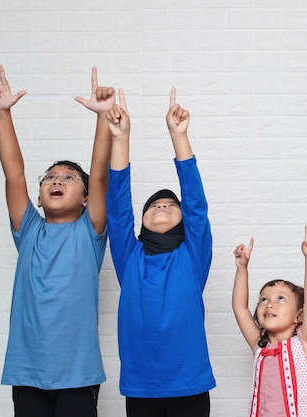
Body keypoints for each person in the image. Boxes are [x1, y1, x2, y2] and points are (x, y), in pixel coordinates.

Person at [0, 65, 115, 417]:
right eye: (51, 178)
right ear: (39, 198)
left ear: (86, 198)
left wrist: (103, 118)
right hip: (26, 372)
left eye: (70, 178)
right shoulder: (29, 229)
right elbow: (14, 173)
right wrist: (3, 114)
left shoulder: (90, 231)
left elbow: (101, 176)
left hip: (77, 375)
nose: (57, 181)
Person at [105, 87, 215, 417]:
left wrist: (179, 136)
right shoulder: (130, 258)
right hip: (141, 386)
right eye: (154, 205)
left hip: (189, 385)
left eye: (170, 204)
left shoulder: (192, 257)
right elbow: (118, 207)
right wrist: (121, 139)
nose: (162, 206)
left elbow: (196, 204)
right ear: (141, 222)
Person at [232, 226, 307, 417]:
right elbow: (240, 309)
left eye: (280, 299)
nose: (269, 304)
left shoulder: (303, 344)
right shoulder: (259, 345)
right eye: (263, 299)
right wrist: (242, 269)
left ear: (299, 316)